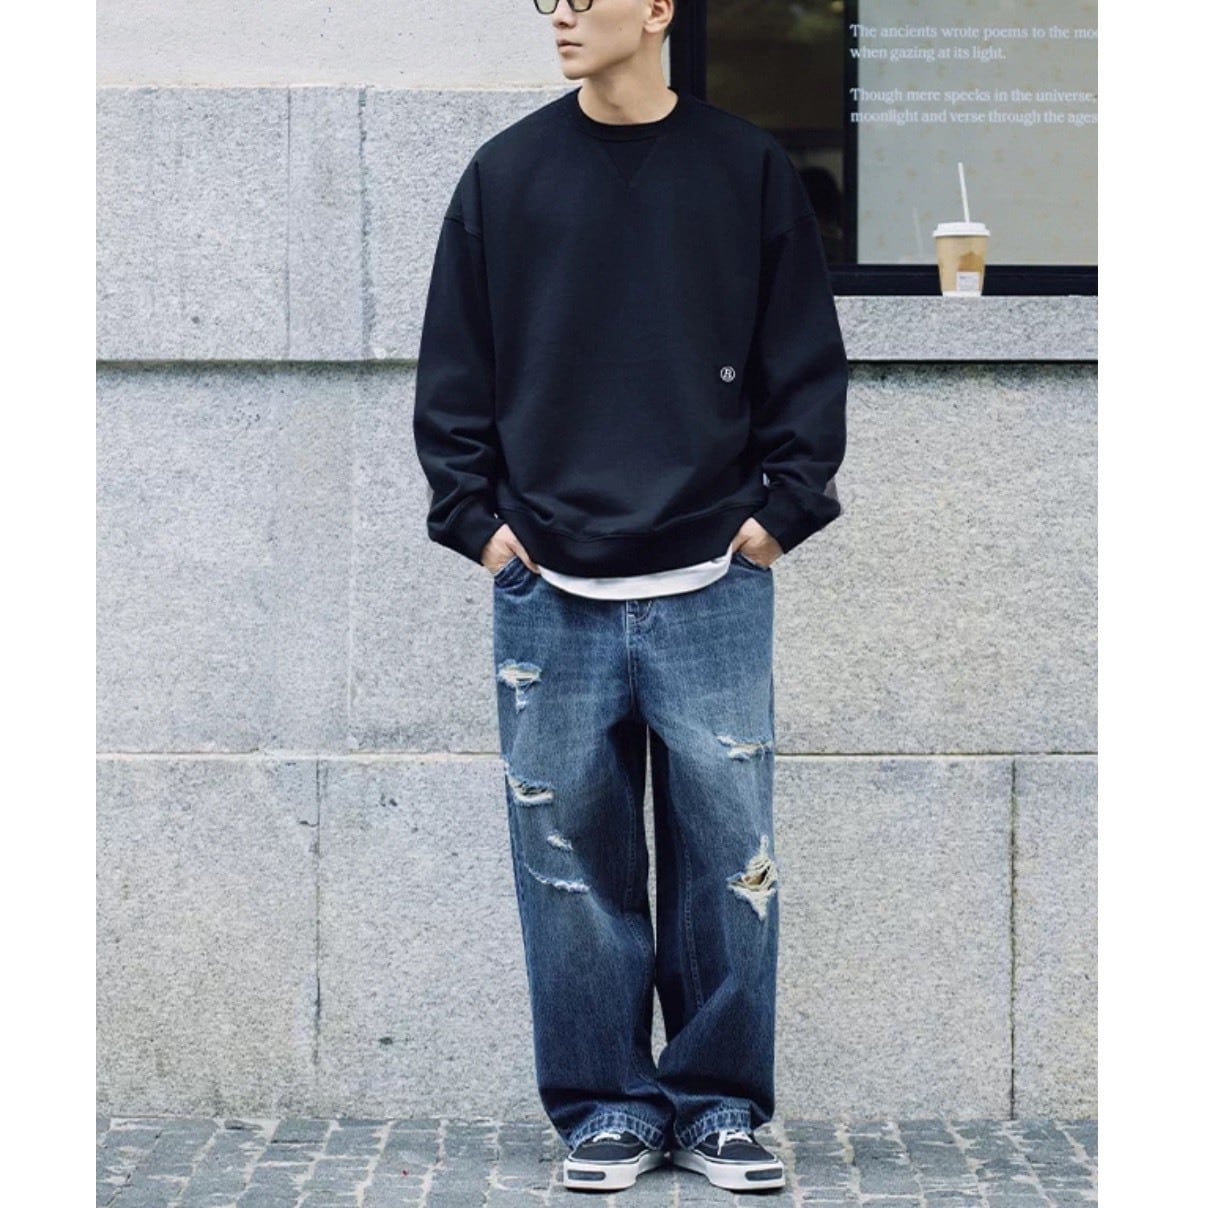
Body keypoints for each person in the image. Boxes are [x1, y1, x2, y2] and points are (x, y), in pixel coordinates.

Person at [413, 0, 847, 1193]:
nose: (559, 12)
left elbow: (802, 351)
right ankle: (605, 1103)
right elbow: (455, 364)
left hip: (713, 571)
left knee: (728, 861)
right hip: (547, 578)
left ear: (656, 10)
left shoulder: (743, 168)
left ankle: (718, 1106)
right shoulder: (506, 175)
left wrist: (783, 510)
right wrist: (480, 527)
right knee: (568, 862)